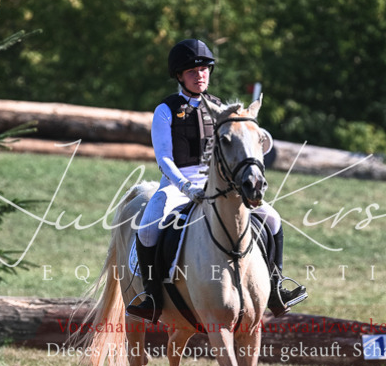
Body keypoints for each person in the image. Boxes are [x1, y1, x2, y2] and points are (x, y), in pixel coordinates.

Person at [126, 38, 307, 323]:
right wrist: (186, 186)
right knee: (148, 228)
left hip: (221, 185)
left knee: (272, 219)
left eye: (204, 69)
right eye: (192, 71)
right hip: (178, 184)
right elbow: (164, 158)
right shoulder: (166, 109)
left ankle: (276, 287)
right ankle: (151, 296)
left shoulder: (222, 108)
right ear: (179, 75)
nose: (200, 75)